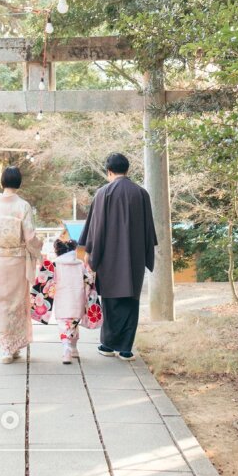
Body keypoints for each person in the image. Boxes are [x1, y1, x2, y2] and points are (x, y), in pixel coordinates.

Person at [78, 152, 157, 360]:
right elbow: (149, 229)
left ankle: (108, 345)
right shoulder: (141, 193)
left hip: (110, 256)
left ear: (109, 171)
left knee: (111, 300)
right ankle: (126, 349)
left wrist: (90, 253)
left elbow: (96, 228)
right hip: (134, 256)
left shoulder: (103, 193)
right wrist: (147, 254)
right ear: (127, 170)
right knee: (131, 300)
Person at [0, 166, 42, 364]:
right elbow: (30, 237)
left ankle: (6, 348)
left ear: (2, 182)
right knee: (16, 303)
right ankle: (13, 346)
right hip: (16, 262)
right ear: (19, 182)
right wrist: (38, 250)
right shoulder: (23, 206)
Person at [31, 238, 94, 364]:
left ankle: (66, 350)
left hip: (62, 301)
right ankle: (74, 348)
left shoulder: (54, 264)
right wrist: (88, 296)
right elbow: (89, 281)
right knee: (73, 324)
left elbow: (44, 282)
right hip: (77, 299)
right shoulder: (80, 264)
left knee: (64, 326)